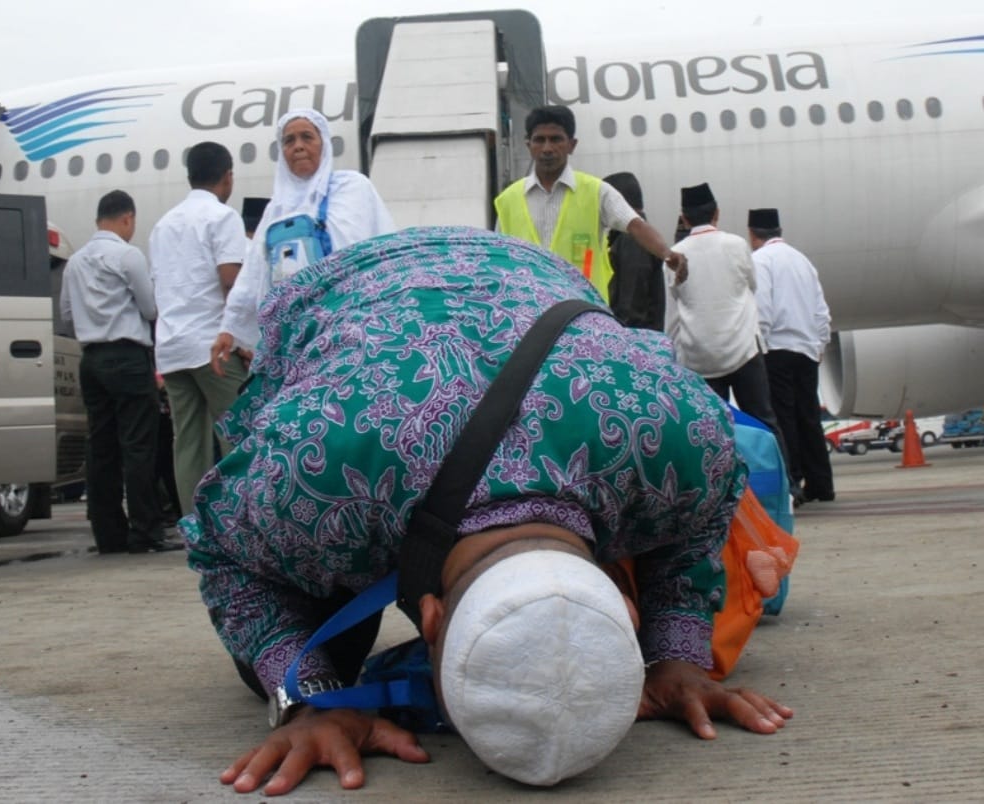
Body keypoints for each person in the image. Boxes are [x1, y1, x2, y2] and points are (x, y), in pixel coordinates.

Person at [183, 227, 792, 796]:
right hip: (349, 287)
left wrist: (675, 658)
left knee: (320, 651)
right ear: (430, 621)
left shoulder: (681, 437)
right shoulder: (315, 475)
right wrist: (312, 698)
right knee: (319, 638)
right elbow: (219, 543)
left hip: (536, 279)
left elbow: (702, 510)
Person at [209, 108, 394, 372]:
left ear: (324, 144)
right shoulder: (276, 210)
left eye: (307, 137)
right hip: (293, 338)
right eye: (289, 140)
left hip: (348, 328)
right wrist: (229, 328)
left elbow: (382, 252)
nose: (298, 147)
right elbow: (253, 274)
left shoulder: (353, 188)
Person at [59, 190, 179, 554]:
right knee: (139, 445)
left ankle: (108, 533)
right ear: (128, 218)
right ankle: (146, 531)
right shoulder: (128, 255)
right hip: (127, 356)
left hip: (91, 359)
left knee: (101, 447)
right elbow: (150, 307)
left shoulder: (75, 261)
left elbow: (66, 313)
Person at [493, 105, 687, 299]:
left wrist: (667, 254)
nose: (547, 148)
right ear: (529, 145)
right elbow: (497, 257)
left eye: (556, 139)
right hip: (530, 310)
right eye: (539, 140)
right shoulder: (508, 200)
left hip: (584, 310)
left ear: (572, 144)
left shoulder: (597, 192)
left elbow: (635, 225)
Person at [149, 142, 249, 516]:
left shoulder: (163, 224)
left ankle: (196, 529)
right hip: (214, 346)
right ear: (228, 176)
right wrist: (242, 337)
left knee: (187, 441)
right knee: (239, 435)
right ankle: (242, 522)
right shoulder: (222, 218)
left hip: (172, 346)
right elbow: (230, 281)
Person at [667, 183, 789, 464]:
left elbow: (672, 314)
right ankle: (785, 489)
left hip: (700, 356)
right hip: (743, 348)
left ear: (684, 219)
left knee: (714, 431)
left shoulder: (674, 255)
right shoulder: (736, 245)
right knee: (764, 420)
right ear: (716, 214)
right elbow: (752, 285)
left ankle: (724, 498)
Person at [750, 208, 835, 503]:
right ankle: (822, 484)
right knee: (809, 417)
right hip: (808, 350)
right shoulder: (802, 260)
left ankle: (794, 481)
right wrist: (820, 344)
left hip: (777, 349)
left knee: (783, 417)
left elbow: (762, 309)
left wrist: (758, 345)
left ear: (752, 234)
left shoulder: (760, 260)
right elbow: (821, 310)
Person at [603, 171, 665, 331]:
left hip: (634, 342)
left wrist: (621, 340)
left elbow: (631, 305)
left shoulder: (631, 239)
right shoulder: (632, 237)